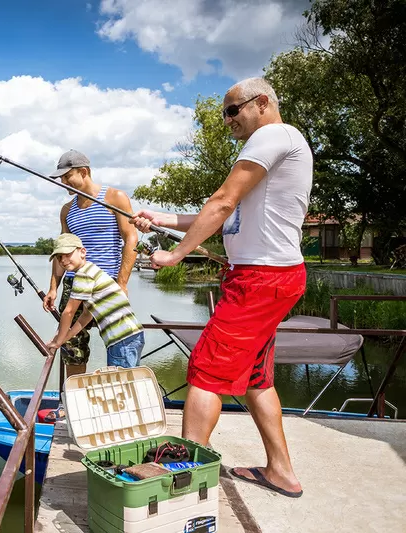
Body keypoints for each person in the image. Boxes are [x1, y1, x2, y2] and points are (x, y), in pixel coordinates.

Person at [132, 77, 312, 498]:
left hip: (260, 279)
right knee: (255, 379)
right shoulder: (279, 145)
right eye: (224, 112)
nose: (227, 119)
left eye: (233, 110)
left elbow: (222, 203)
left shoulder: (272, 135)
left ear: (262, 102)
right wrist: (163, 219)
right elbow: (228, 217)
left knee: (206, 372)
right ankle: (281, 472)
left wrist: (176, 256)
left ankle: (181, 477)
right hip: (270, 276)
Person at [42, 149, 138, 377]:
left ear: (84, 172)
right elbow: (62, 253)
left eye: (67, 176)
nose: (64, 182)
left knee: (118, 342)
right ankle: (73, 402)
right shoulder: (67, 210)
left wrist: (122, 284)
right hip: (75, 286)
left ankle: (120, 396)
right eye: (61, 178)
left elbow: (131, 238)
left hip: (107, 286)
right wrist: (53, 287)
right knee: (72, 347)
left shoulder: (115, 198)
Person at [45, 233, 144, 369]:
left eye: (67, 254)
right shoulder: (91, 270)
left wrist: (58, 342)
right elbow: (85, 316)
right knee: (126, 382)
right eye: (59, 257)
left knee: (120, 384)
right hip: (131, 335)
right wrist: (65, 337)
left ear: (82, 252)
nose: (63, 260)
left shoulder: (83, 275)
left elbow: (68, 312)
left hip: (121, 340)